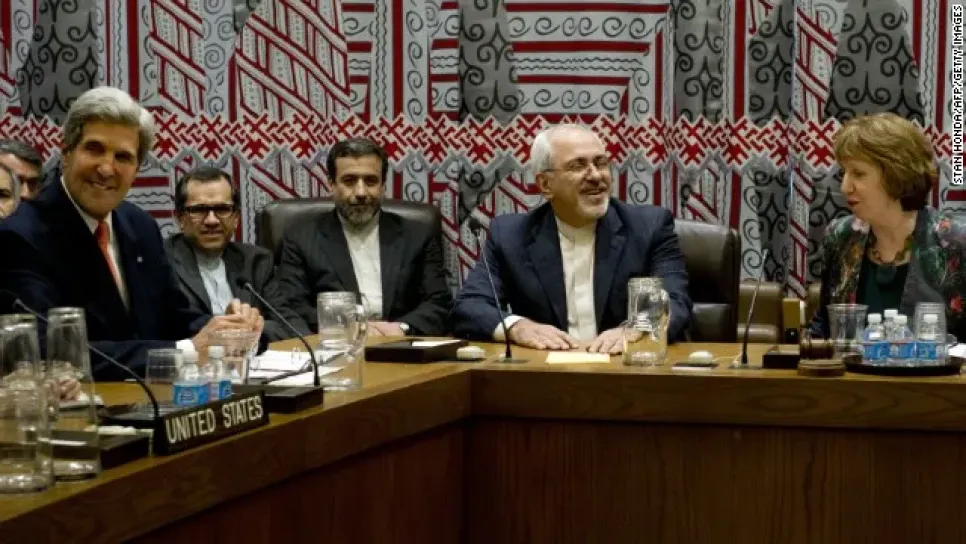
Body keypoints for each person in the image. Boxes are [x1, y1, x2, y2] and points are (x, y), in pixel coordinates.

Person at [0, 86, 262, 380]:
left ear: (136, 169)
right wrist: (186, 350)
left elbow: (172, 315)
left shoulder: (140, 225)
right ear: (66, 153)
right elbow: (48, 351)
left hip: (156, 396)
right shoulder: (19, 236)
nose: (106, 168)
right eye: (94, 149)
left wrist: (226, 330)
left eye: (123, 157)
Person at [451, 124, 693, 353]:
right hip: (547, 370)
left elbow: (676, 301)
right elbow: (470, 306)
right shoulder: (510, 235)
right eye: (578, 166)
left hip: (625, 367)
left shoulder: (649, 227)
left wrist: (636, 329)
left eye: (601, 163)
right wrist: (517, 327)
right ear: (546, 185)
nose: (596, 176)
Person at [809, 112, 966, 340]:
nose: (845, 187)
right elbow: (824, 326)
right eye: (844, 173)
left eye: (858, 174)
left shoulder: (955, 242)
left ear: (896, 174)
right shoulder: (841, 236)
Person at [275, 137, 452, 336]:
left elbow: (439, 302)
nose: (360, 192)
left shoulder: (417, 235)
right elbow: (291, 306)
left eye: (370, 181)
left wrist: (401, 328)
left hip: (401, 345)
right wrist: (349, 329)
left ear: (383, 185)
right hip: (335, 346)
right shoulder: (301, 238)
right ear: (331, 184)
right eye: (349, 181)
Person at [165, 165, 301, 341]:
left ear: (236, 218)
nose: (212, 220)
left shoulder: (256, 261)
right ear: (180, 219)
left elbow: (293, 328)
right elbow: (160, 333)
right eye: (199, 210)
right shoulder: (162, 262)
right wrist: (227, 329)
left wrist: (249, 327)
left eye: (222, 209)